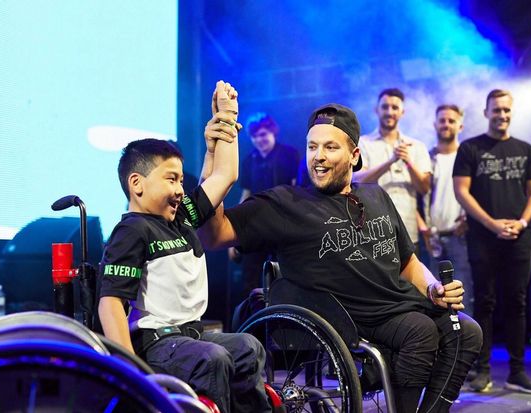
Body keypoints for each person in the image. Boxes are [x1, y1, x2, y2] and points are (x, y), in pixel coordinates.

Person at [199, 102, 482, 413]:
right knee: (420, 330)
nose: (318, 156)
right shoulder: (286, 203)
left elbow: (408, 262)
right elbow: (212, 235)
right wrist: (215, 155)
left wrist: (433, 289)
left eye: (330, 147)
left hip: (398, 306)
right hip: (346, 317)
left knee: (467, 331)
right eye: (312, 146)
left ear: (354, 156)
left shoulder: (376, 196)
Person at [97, 81, 271, 413]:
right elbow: (110, 304)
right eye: (171, 179)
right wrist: (129, 374)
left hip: (192, 337)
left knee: (248, 347)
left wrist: (226, 114)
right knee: (214, 358)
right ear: (137, 184)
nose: (180, 189)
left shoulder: (182, 219)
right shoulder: (131, 231)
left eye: (180, 180)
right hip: (158, 345)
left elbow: (225, 174)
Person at [453, 89, 531, 394]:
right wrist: (492, 225)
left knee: (517, 303)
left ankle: (517, 372)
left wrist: (521, 222)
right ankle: (483, 371)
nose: (501, 115)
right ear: (486, 112)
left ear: (511, 113)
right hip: (483, 238)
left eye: (506, 110)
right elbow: (461, 192)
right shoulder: (469, 148)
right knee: (485, 303)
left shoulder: (526, 149)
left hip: (519, 237)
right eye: (496, 110)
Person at [231, 113, 300, 300]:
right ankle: (253, 323)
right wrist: (234, 232)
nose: (259, 140)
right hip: (256, 225)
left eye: (263, 134)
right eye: (255, 136)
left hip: (284, 224)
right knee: (251, 279)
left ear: (272, 132)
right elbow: (245, 194)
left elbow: (297, 189)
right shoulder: (248, 161)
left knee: (285, 277)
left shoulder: (289, 154)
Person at [354, 88, 432, 250]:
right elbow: (357, 181)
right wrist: (391, 161)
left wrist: (408, 161)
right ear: (377, 110)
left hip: (408, 230)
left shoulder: (416, 146)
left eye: (395, 108)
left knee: (412, 275)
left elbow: (424, 188)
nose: (389, 112)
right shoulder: (363, 143)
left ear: (402, 112)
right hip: (374, 230)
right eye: (385, 107)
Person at [419, 104, 473, 316]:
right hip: (432, 238)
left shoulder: (469, 155)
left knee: (464, 297)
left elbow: (479, 193)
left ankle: (467, 347)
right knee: (433, 297)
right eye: (442, 120)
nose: (446, 124)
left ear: (460, 125)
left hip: (461, 237)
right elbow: (416, 195)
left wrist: (469, 219)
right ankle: (441, 348)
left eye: (451, 120)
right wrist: (424, 227)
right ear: (435, 124)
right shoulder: (426, 157)